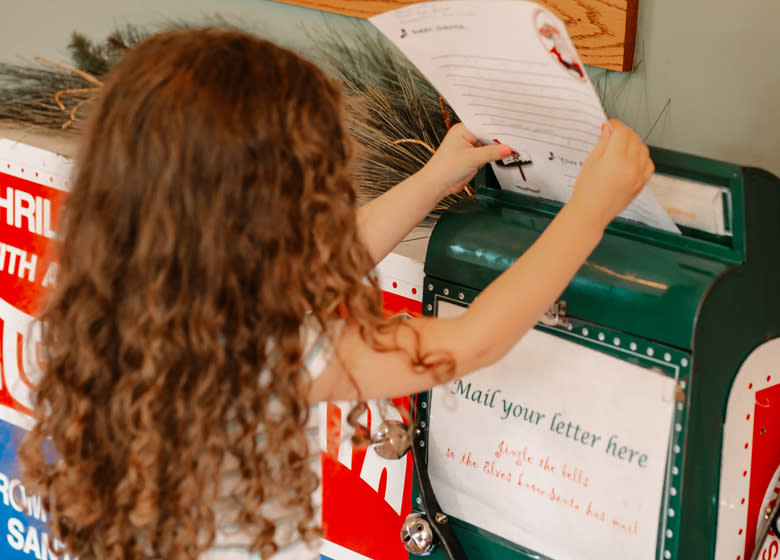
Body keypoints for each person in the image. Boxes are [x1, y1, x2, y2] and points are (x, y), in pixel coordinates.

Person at [18, 28, 653, 560]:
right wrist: (590, 210)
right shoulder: (265, 352)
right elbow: (470, 341)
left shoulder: (108, 307)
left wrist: (436, 176)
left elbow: (327, 263)